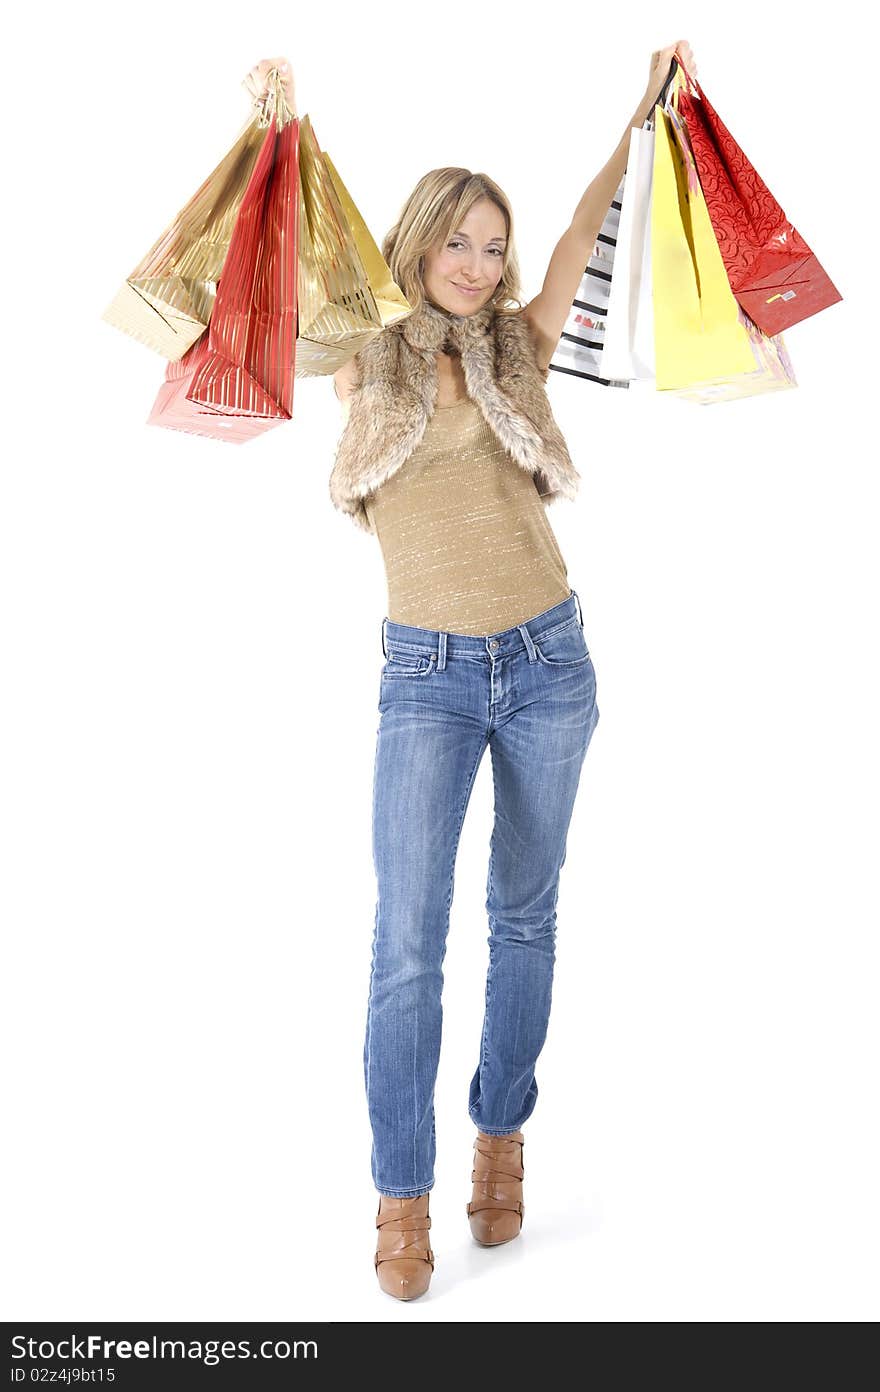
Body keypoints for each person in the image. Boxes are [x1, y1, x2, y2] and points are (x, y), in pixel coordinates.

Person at [246, 41, 698, 1302]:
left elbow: (576, 236)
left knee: (526, 919)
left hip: (550, 661)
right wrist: (284, 136)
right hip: (426, 678)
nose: (480, 265)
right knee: (405, 945)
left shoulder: (513, 348)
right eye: (460, 242)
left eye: (491, 248)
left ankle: (501, 1148)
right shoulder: (367, 356)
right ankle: (401, 1204)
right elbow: (287, 274)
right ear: (417, 244)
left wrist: (638, 121)